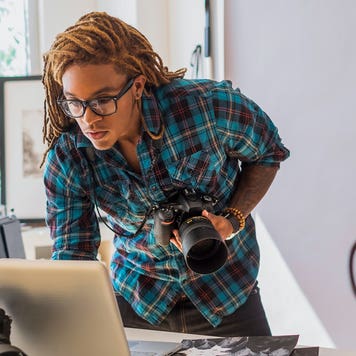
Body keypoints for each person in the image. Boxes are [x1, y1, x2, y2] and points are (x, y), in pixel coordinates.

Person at [42, 11, 290, 337]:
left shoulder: (207, 107)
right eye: (75, 103)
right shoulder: (69, 157)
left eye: (103, 100)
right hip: (137, 300)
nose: (88, 119)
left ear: (137, 86)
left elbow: (268, 152)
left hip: (227, 293)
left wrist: (232, 218)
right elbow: (74, 257)